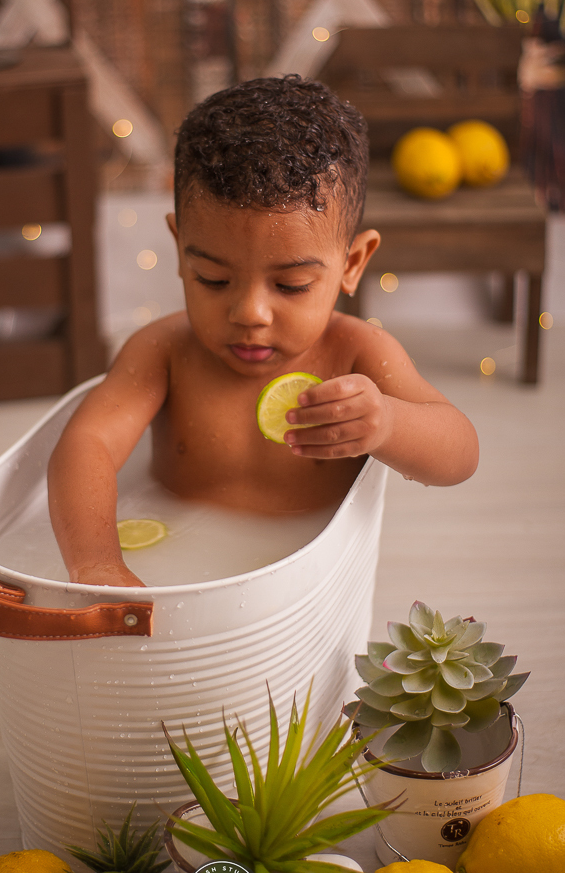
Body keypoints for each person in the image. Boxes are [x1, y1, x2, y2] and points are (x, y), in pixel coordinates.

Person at [48, 75, 479, 587]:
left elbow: (460, 455)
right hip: (177, 570)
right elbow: (87, 443)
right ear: (179, 246)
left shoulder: (357, 352)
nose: (251, 312)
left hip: (308, 583)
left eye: (292, 285)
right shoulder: (163, 351)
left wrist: (387, 422)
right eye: (214, 279)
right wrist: (97, 560)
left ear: (353, 262)